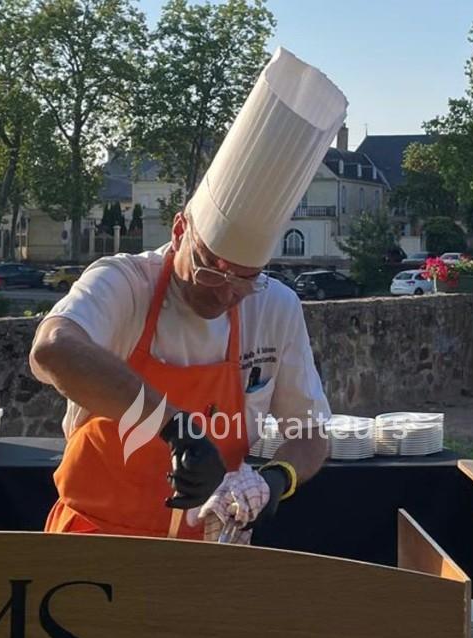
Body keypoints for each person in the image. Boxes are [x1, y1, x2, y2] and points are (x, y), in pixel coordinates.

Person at [29, 48, 346, 543]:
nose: (222, 293)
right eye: (210, 269)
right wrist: (175, 427)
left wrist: (274, 480)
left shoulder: (275, 306)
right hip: (94, 539)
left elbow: (309, 434)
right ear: (180, 229)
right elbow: (53, 349)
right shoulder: (124, 283)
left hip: (212, 548)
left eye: (243, 278)